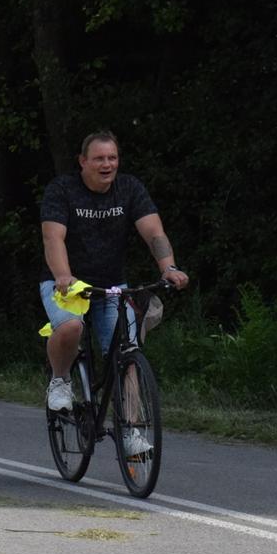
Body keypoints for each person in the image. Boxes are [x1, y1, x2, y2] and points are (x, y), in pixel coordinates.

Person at [40, 131, 188, 444]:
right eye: (99, 158)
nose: (107, 164)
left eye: (112, 158)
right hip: (67, 282)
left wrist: (169, 267)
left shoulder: (129, 189)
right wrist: (64, 275)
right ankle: (60, 380)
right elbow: (53, 237)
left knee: (127, 353)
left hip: (111, 285)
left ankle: (131, 432)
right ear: (83, 162)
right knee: (70, 328)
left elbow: (154, 233)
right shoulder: (63, 190)